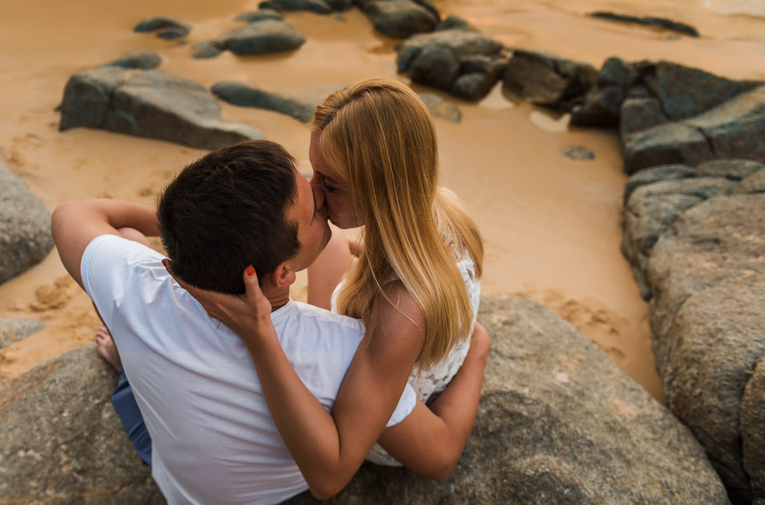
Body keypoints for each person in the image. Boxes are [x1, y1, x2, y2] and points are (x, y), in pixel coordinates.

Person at [51, 140, 488, 504]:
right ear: (282, 275)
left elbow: (69, 213)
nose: (323, 198)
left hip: (175, 474)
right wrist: (479, 347)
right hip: (263, 495)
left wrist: (194, 239)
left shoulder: (138, 285)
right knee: (334, 250)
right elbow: (441, 456)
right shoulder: (346, 352)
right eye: (316, 211)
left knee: (125, 242)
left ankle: (132, 359)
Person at [179, 78, 488, 497]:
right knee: (313, 238)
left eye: (330, 182)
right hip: (391, 350)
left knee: (260, 306)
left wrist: (477, 352)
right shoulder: (441, 207)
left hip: (374, 415)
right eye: (313, 170)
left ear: (382, 191)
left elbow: (440, 459)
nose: (312, 190)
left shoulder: (399, 312)